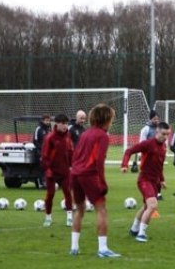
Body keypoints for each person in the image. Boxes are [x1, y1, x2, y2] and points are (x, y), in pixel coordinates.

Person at [69, 103, 120, 258]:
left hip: (75, 174)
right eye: (111, 119)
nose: (112, 122)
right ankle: (103, 249)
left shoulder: (85, 133)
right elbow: (99, 160)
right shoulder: (103, 135)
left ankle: (74, 247)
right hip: (89, 174)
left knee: (80, 209)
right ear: (105, 119)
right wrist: (102, 182)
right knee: (101, 209)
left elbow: (75, 155)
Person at [121, 122, 171, 243]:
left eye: (167, 135)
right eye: (163, 134)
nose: (165, 137)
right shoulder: (148, 144)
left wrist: (162, 179)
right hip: (144, 180)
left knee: (145, 207)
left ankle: (134, 229)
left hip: (155, 182)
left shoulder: (164, 147)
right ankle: (141, 234)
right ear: (157, 132)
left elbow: (159, 166)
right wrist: (124, 165)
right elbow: (129, 151)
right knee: (153, 205)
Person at [40, 113, 74, 227]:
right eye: (63, 124)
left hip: (64, 171)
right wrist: (48, 169)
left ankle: (69, 217)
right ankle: (48, 217)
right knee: (50, 194)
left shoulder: (68, 136)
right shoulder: (50, 138)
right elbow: (44, 156)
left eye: (67, 124)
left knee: (68, 192)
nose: (65, 126)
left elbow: (70, 152)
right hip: (52, 172)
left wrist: (73, 164)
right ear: (57, 124)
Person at [33, 114, 51, 188]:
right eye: (46, 120)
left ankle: (45, 182)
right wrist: (40, 149)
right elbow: (35, 140)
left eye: (48, 120)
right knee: (40, 168)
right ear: (43, 120)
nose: (47, 122)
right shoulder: (38, 129)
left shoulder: (48, 129)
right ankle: (40, 183)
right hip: (40, 152)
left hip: (47, 153)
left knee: (47, 168)